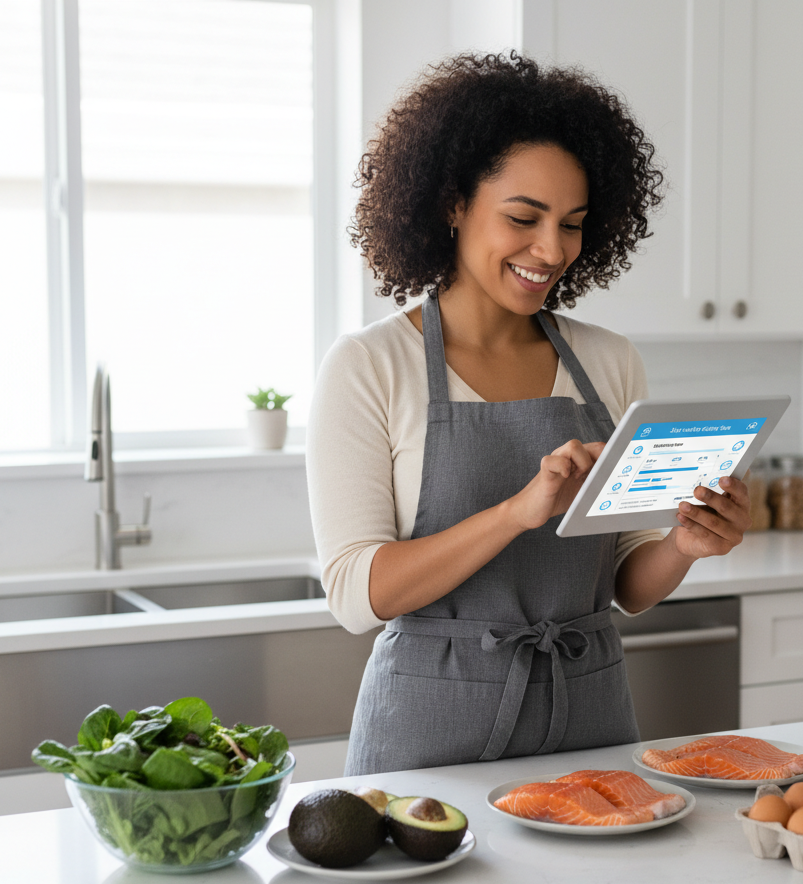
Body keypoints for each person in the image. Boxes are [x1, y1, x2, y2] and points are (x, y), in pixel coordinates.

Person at [306, 53, 751, 775]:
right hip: (427, 741)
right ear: (453, 204)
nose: (551, 250)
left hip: (590, 721)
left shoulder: (608, 361)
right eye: (523, 217)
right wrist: (518, 512)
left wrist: (685, 544)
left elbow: (628, 584)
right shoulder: (369, 366)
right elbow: (358, 594)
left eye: (572, 224)